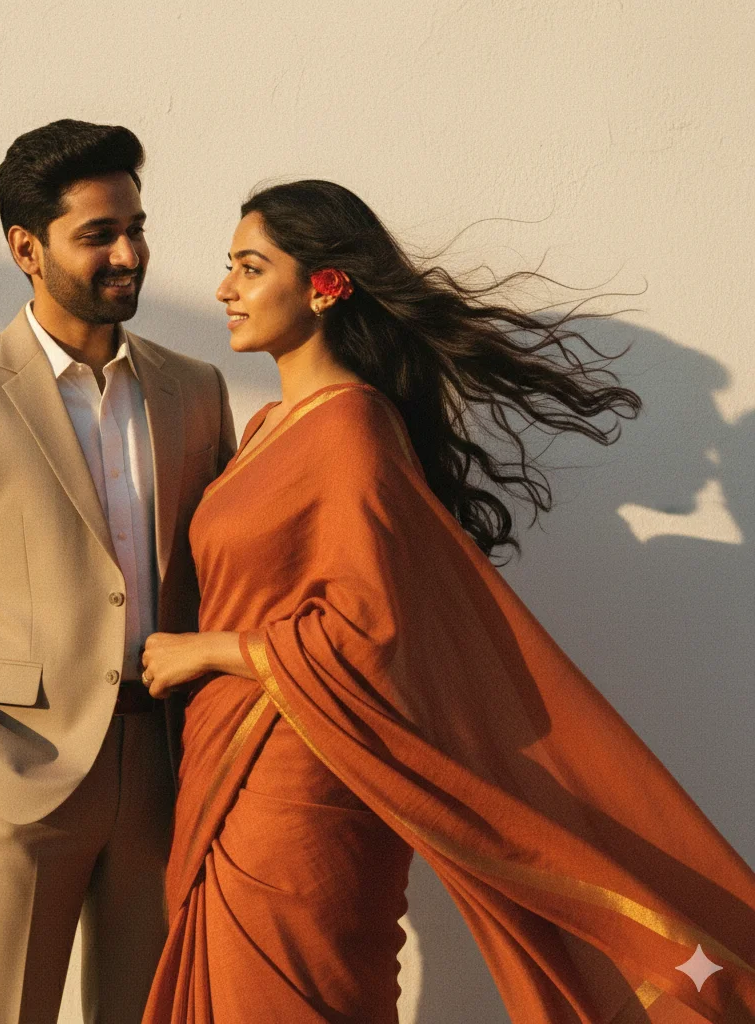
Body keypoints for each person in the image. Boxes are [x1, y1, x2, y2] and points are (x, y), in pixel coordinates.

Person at [139, 180, 755, 1023]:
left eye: (251, 267)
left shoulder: (352, 428)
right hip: (229, 771)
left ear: (325, 285)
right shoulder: (267, 429)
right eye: (229, 267)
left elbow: (365, 633)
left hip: (303, 779)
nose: (225, 290)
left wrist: (204, 650)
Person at [0, 119, 235, 1024]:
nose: (129, 253)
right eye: (99, 234)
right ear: (26, 248)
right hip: (18, 772)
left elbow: (223, 569)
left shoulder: (196, 390)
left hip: (165, 768)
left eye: (136, 227)